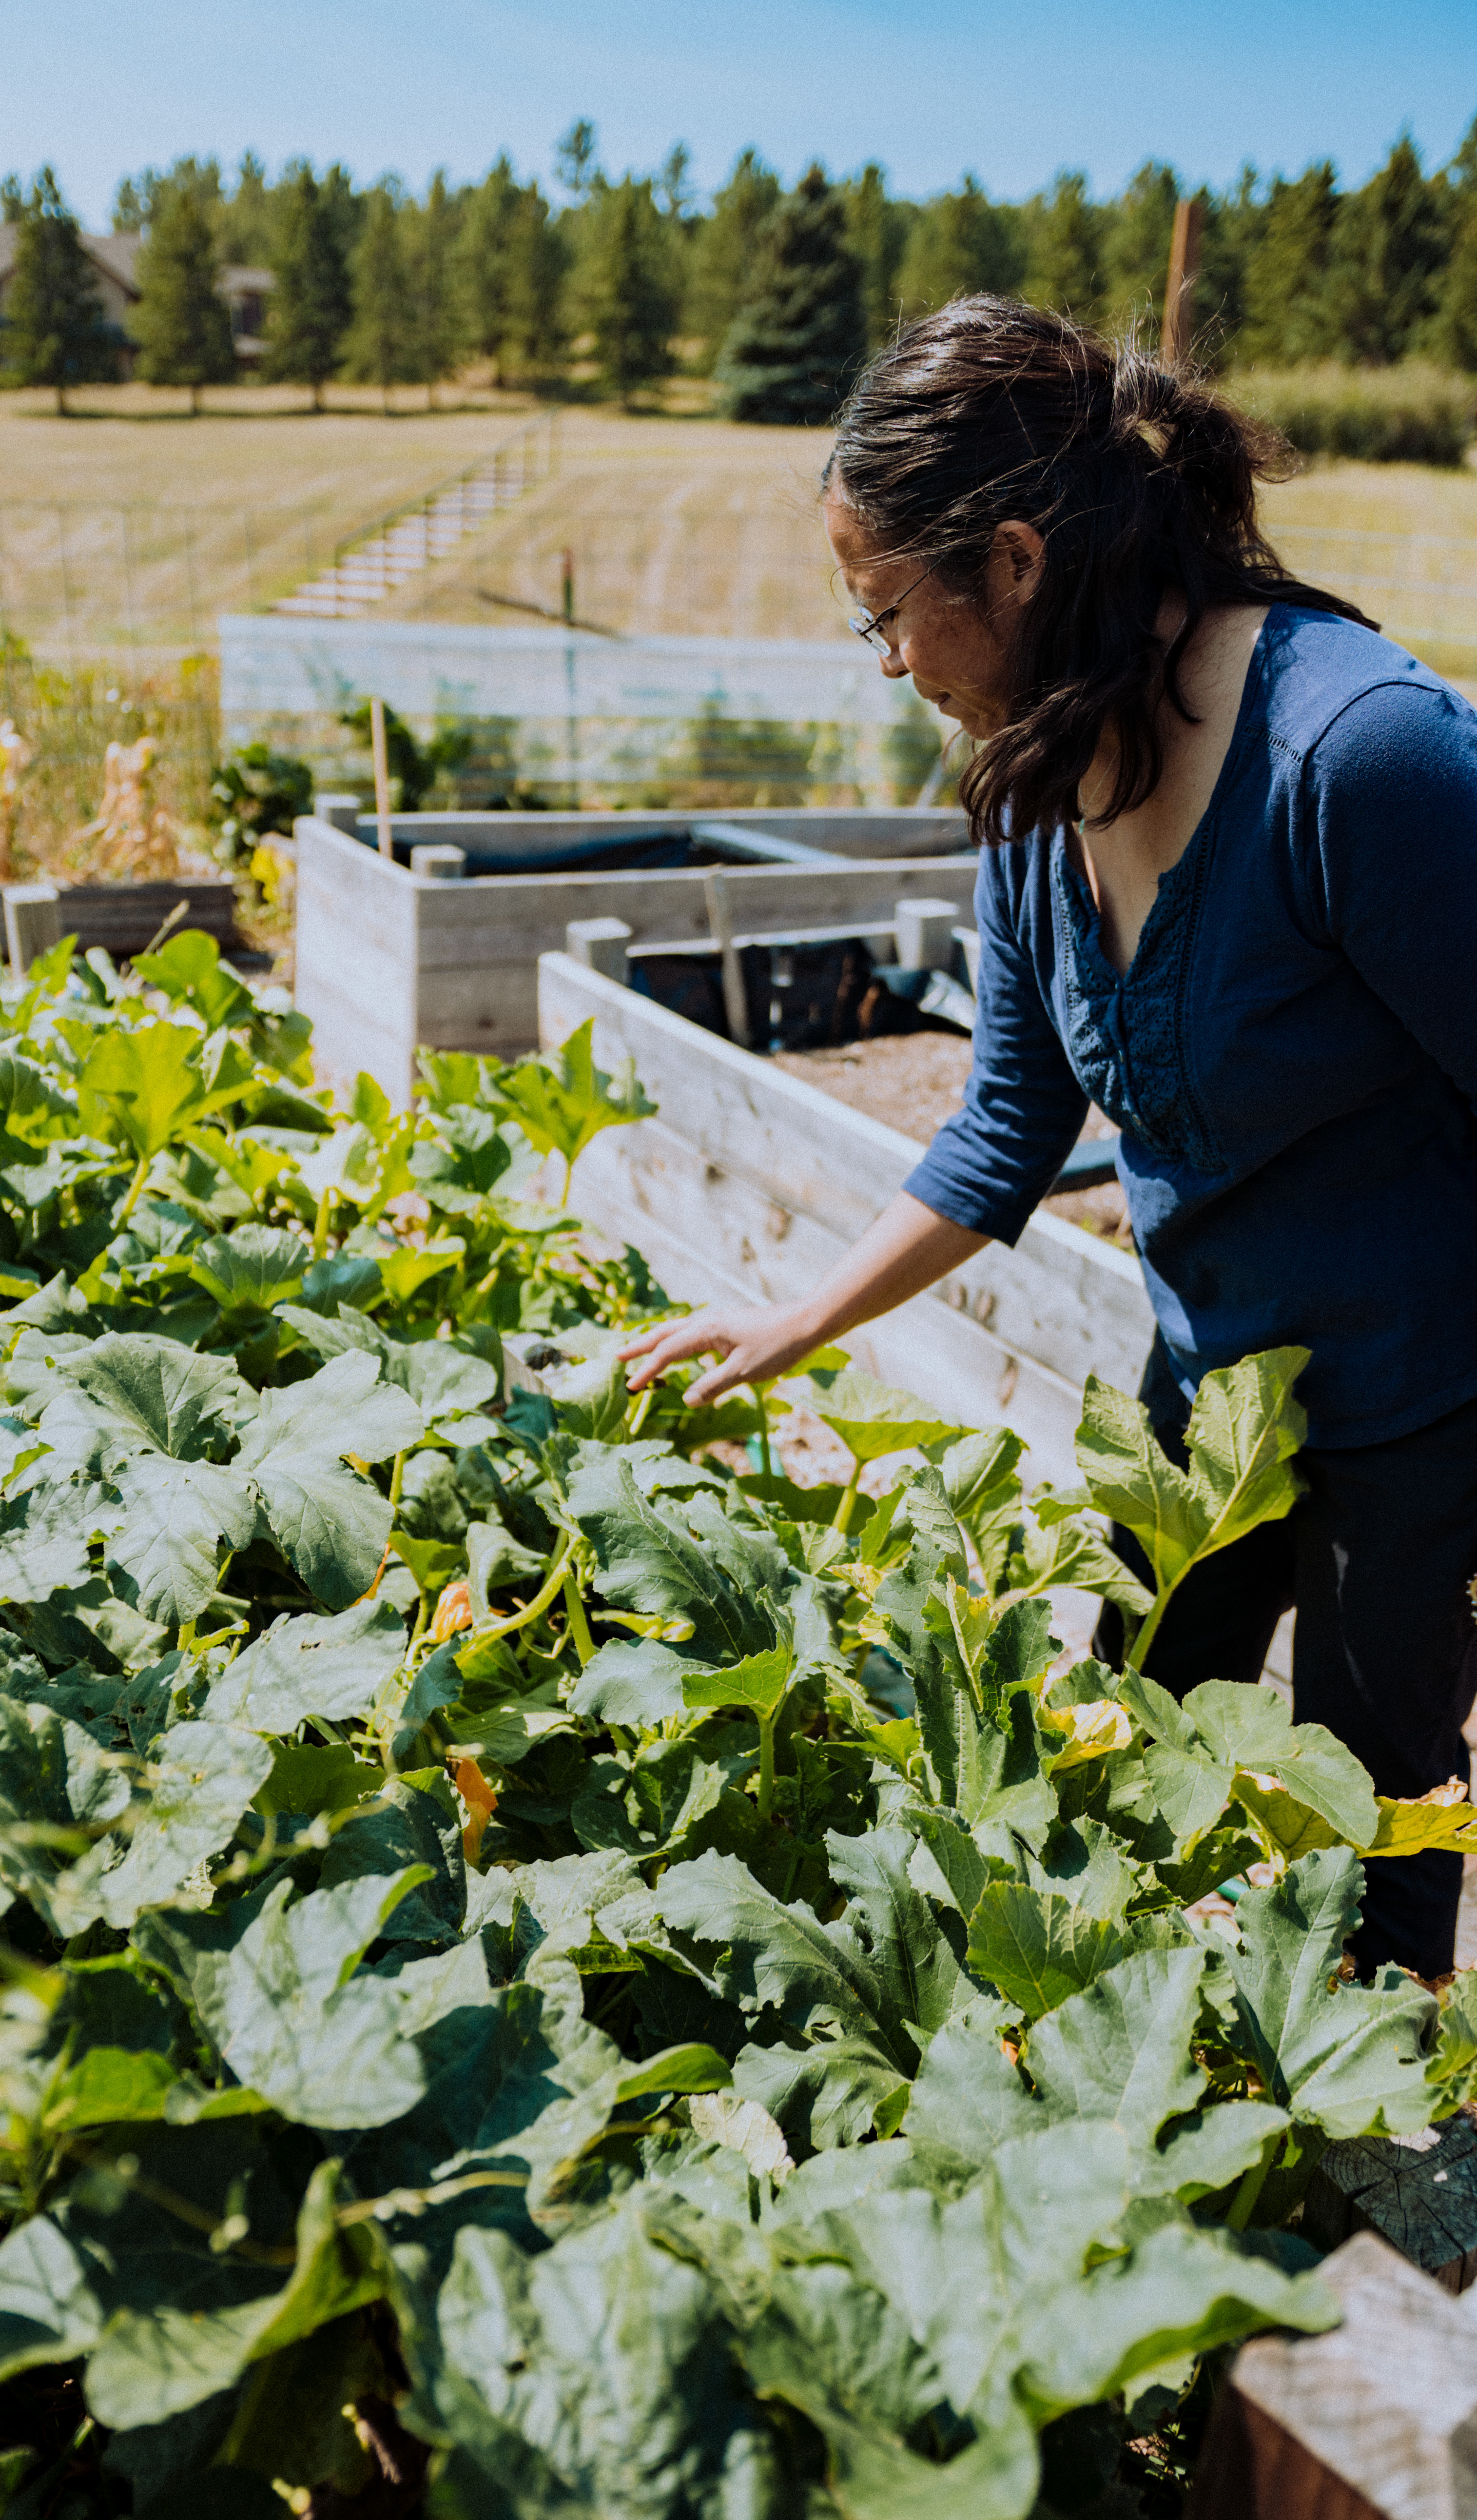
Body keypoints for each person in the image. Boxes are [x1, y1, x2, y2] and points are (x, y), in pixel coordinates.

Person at [621, 295, 1477, 1981]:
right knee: (1125, 1791)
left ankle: (1390, 2192)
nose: (891, 667)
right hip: (1209, 1398)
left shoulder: (1354, 757)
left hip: (1417, 1404)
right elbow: (1010, 1121)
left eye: (887, 617)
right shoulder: (1036, 777)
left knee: (1373, 1869)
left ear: (1014, 561)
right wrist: (790, 1322)